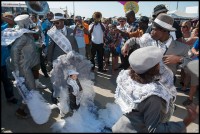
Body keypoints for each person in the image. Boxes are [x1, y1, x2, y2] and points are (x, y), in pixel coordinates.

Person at [112, 46, 198, 133]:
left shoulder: (126, 76)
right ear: (155, 68)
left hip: (122, 126)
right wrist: (185, 123)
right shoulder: (153, 96)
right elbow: (154, 129)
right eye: (159, 63)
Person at [121, 14, 190, 80]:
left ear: (164, 31)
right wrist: (127, 44)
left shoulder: (182, 48)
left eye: (153, 29)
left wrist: (179, 59)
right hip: (147, 80)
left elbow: (191, 65)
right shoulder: (148, 39)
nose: (151, 32)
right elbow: (134, 40)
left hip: (166, 86)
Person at [2, 14, 41, 118]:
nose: (30, 22)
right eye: (29, 20)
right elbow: (15, 50)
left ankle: (27, 107)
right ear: (24, 23)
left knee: (28, 88)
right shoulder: (22, 35)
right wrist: (16, 69)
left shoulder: (23, 32)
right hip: (24, 67)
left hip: (26, 65)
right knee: (31, 89)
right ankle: (21, 110)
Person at [46, 13, 79, 104]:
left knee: (71, 79)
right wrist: (49, 61)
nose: (55, 25)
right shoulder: (52, 32)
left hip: (70, 60)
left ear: (62, 22)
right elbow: (50, 48)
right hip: (57, 60)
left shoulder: (70, 30)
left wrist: (77, 57)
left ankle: (71, 97)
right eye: (54, 23)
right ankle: (54, 96)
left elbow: (74, 45)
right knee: (57, 79)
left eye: (57, 23)